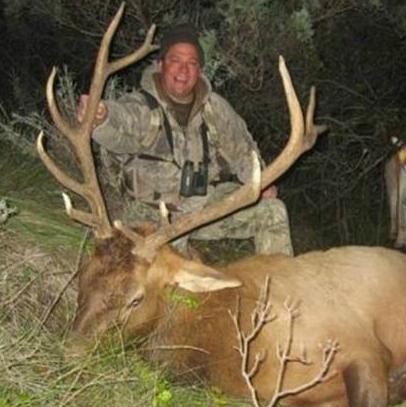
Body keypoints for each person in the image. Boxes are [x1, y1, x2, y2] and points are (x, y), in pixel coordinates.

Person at [77, 23, 294, 256]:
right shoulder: (142, 108)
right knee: (167, 263)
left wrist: (261, 181)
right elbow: (121, 121)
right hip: (153, 215)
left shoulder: (216, 109)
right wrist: (102, 116)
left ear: (200, 70)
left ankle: (277, 279)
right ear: (160, 65)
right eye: (175, 60)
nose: (184, 70)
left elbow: (243, 152)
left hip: (204, 208)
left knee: (272, 211)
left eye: (192, 63)